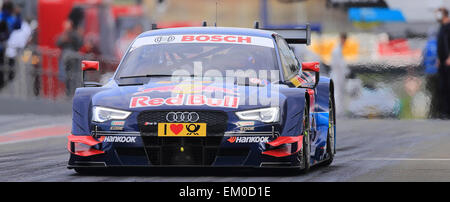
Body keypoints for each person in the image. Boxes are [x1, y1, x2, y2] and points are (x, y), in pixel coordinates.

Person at [56, 19, 83, 97]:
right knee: (66, 76)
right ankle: (67, 93)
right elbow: (58, 43)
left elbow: (79, 44)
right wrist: (63, 39)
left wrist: (73, 38)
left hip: (73, 60)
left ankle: (73, 93)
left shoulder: (74, 34)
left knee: (74, 76)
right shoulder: (63, 35)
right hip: (65, 60)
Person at [330, 33, 350, 117]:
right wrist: (347, 72)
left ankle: (340, 111)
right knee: (337, 93)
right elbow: (339, 64)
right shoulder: (337, 50)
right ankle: (337, 111)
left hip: (339, 74)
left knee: (340, 93)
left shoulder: (339, 49)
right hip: (337, 74)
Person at [435, 7, 450, 119]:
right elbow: (441, 44)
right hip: (442, 62)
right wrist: (439, 58)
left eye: (438, 14)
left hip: (449, 61)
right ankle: (443, 111)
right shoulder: (441, 27)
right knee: (442, 86)